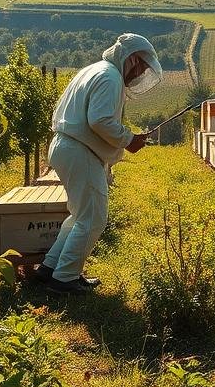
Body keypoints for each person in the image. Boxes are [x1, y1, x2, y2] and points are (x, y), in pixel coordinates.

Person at [35, 33, 162, 294]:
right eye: (142, 68)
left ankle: (50, 268)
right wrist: (128, 139)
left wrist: (126, 138)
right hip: (78, 150)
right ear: (133, 59)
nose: (140, 76)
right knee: (92, 218)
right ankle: (64, 279)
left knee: (80, 215)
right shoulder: (110, 76)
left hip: (66, 146)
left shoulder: (94, 70)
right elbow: (100, 120)